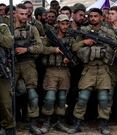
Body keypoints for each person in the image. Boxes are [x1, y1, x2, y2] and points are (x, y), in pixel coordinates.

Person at [70, 8, 117, 135]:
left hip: (103, 68)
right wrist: (84, 42)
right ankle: (77, 123)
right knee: (83, 97)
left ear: (101, 17)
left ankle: (104, 123)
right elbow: (74, 47)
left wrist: (104, 51)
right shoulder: (83, 31)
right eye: (90, 16)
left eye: (96, 16)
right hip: (88, 68)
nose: (93, 18)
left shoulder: (108, 32)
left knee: (103, 98)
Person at [40, 14, 75, 134]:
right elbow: (41, 48)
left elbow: (76, 52)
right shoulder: (50, 36)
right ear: (58, 24)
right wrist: (53, 50)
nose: (65, 26)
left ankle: (59, 122)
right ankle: (47, 121)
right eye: (62, 23)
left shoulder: (71, 38)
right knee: (49, 98)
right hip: (51, 70)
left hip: (65, 71)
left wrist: (69, 59)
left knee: (61, 98)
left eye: (67, 24)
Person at [14, 4, 43, 134]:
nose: (24, 17)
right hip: (12, 64)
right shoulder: (7, 28)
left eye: (26, 14)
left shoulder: (32, 29)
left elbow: (40, 47)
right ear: (15, 14)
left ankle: (33, 123)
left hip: (28, 63)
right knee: (8, 95)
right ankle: (9, 123)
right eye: (21, 14)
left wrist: (26, 49)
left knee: (32, 94)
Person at [0, 20, 15, 134]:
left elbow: (9, 42)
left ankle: (8, 126)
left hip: (2, 72)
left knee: (6, 102)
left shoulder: (3, 27)